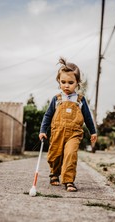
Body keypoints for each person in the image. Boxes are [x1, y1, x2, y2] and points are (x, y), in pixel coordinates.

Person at [39, 57, 97, 192]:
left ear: (77, 83)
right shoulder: (56, 99)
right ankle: (54, 173)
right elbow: (47, 116)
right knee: (54, 156)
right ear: (58, 82)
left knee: (71, 154)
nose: (66, 85)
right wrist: (43, 130)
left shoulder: (80, 100)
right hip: (57, 132)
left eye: (70, 82)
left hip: (74, 134)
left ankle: (69, 181)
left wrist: (92, 131)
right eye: (63, 82)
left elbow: (88, 118)